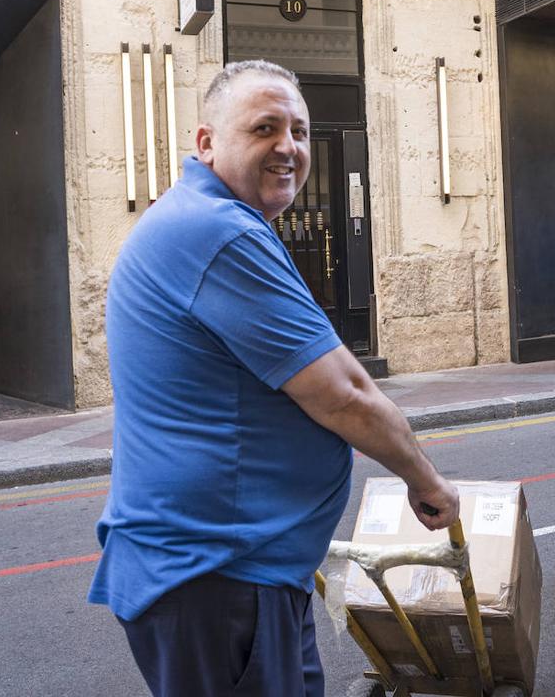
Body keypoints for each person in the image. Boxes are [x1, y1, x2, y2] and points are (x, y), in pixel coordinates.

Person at [88, 60, 460, 697]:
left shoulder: (203, 220)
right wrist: (426, 482)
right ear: (207, 143)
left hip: (233, 571)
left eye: (299, 130)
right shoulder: (220, 234)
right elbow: (346, 394)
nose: (287, 147)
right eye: (264, 128)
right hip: (218, 575)